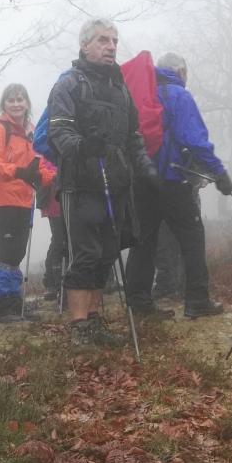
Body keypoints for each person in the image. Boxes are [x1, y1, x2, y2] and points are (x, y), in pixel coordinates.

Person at [46, 18, 159, 346]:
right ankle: (79, 329)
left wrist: (146, 170)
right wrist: (84, 146)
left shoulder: (120, 88)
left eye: (114, 40)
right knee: (85, 254)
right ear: (85, 45)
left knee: (107, 254)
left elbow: (133, 136)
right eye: (102, 40)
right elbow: (59, 131)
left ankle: (94, 322)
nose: (111, 46)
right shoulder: (69, 84)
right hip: (80, 185)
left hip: (117, 184)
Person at [125, 51, 232, 319]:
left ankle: (138, 304)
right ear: (181, 71)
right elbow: (193, 139)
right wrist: (218, 172)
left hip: (142, 180)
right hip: (173, 180)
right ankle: (197, 300)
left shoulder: (141, 94)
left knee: (144, 242)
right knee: (192, 238)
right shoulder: (178, 95)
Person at [0, 83, 56, 322]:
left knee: (16, 252)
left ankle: (12, 302)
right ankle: (1, 306)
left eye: (20, 99)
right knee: (7, 253)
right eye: (11, 100)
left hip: (24, 199)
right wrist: (20, 172)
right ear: (4, 104)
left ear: (27, 103)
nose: (16, 104)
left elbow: (41, 166)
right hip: (2, 199)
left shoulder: (31, 131)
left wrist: (52, 176)